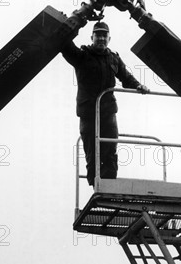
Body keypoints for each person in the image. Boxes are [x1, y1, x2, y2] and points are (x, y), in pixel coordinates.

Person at [62, 21, 149, 186]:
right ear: (92, 37)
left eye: (104, 35)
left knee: (110, 151)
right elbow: (64, 45)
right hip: (88, 114)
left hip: (108, 113)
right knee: (92, 153)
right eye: (98, 35)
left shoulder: (113, 58)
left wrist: (138, 85)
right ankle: (97, 188)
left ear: (109, 38)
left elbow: (126, 77)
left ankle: (109, 188)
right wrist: (74, 24)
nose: (101, 38)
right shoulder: (82, 56)